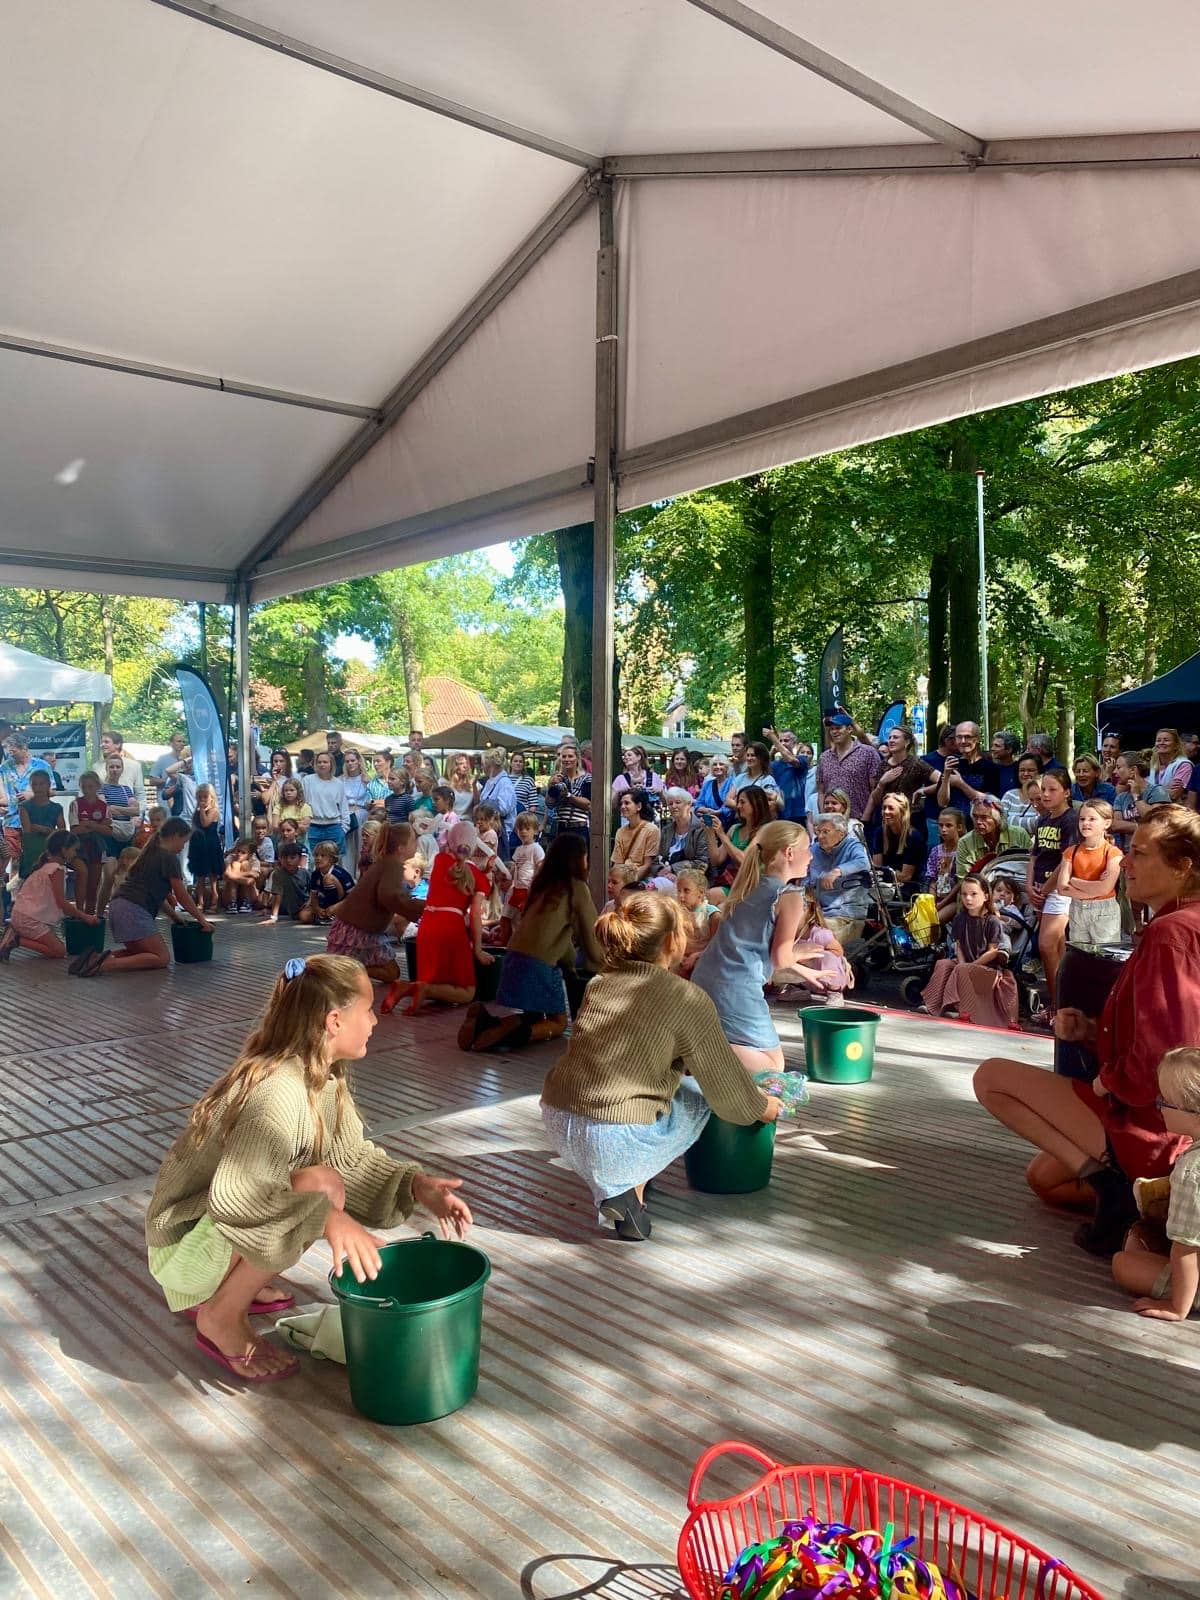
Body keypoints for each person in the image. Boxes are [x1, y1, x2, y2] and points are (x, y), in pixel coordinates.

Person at [144, 954, 471, 1381]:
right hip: (182, 1255)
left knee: (321, 1183)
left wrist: (417, 1185)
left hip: (207, 1241)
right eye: (368, 1009)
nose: (375, 1021)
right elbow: (237, 1197)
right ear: (335, 1021)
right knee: (319, 1186)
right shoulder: (278, 1091)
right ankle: (221, 1315)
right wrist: (328, 1218)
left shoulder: (321, 1075)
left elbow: (351, 1160)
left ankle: (231, 1283)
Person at [975, 807, 1200, 1255]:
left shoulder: (1171, 933)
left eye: (1139, 853)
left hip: (1156, 1125)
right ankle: (1136, 1197)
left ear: (1181, 866)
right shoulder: (1181, 924)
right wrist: (1092, 1031)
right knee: (1046, 1180)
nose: (1126, 862)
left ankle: (1128, 1192)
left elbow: (1169, 1054)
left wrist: (1106, 1081)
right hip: (1174, 1121)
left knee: (991, 1077)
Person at [540, 893, 780, 1241]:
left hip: (559, 1119)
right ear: (670, 942)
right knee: (697, 1096)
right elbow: (726, 1091)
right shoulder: (687, 997)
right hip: (614, 1136)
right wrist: (764, 1107)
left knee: (664, 1092)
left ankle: (626, 1188)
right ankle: (627, 1188)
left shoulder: (600, 982)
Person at [460, 832, 605, 1053]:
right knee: (558, 1023)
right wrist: (603, 967)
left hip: (512, 959)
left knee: (534, 1016)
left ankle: (487, 1022)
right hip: (539, 965)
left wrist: (569, 965)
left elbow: (557, 939)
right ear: (579, 859)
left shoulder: (541, 886)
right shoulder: (576, 887)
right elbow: (591, 938)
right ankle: (507, 1035)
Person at [693, 820, 812, 1072]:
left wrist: (805, 969)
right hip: (736, 987)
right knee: (772, 1066)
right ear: (789, 853)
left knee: (749, 1053)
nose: (811, 856)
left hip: (706, 977)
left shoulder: (748, 884)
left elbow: (754, 947)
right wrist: (805, 951)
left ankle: (695, 1052)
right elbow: (781, 958)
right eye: (807, 849)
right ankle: (692, 1050)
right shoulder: (789, 896)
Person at [1111, 1047, 1200, 1322]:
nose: (1158, 1105)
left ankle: (1186, 1298)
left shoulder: (1192, 1171)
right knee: (1139, 1239)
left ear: (1195, 1114)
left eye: (1165, 1101)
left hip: (1193, 1266)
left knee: (1123, 1263)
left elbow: (1186, 1248)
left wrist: (1176, 1306)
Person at [381, 820, 492, 1017]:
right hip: (451, 928)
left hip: (428, 925)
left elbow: (460, 870)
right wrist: (478, 949)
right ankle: (420, 989)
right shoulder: (477, 877)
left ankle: (411, 987)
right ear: (474, 846)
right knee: (467, 992)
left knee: (436, 978)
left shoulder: (440, 860)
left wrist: (481, 869)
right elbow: (475, 913)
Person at [77, 818, 212, 977]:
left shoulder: (149, 853)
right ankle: (107, 965)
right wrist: (202, 920)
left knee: (140, 951)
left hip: (118, 906)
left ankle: (95, 958)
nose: (183, 847)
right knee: (161, 958)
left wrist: (174, 917)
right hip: (133, 910)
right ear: (175, 836)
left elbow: (157, 896)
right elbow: (182, 895)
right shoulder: (169, 858)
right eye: (183, 842)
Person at [327, 822, 425, 981]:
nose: (417, 844)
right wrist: (420, 907)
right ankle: (347, 968)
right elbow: (390, 896)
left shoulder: (387, 863)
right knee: (391, 973)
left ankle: (347, 967)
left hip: (358, 926)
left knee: (391, 972)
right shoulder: (393, 865)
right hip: (359, 929)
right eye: (414, 840)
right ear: (401, 848)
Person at [921, 873, 1016, 1028]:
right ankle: (933, 1006)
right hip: (966, 963)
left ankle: (961, 1009)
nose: (968, 898)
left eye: (973, 894)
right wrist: (963, 963)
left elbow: (993, 951)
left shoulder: (993, 921)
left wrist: (971, 965)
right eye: (964, 894)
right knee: (944, 964)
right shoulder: (960, 918)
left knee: (963, 969)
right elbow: (959, 945)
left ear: (986, 896)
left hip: (988, 969)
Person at [0, 831, 98, 961]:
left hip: (20, 915)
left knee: (56, 947)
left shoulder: (45, 867)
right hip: (29, 919)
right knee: (59, 951)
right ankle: (16, 940)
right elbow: (61, 902)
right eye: (74, 850)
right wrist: (85, 916)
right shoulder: (56, 870)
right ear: (63, 850)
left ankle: (15, 934)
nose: (75, 854)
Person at [1027, 769, 1079, 1011]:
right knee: (1057, 947)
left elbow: (1067, 860)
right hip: (1039, 888)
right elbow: (1034, 856)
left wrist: (1046, 889)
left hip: (1058, 889)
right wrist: (1030, 886)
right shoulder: (1043, 819)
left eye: (1052, 790)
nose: (1045, 795)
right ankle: (1061, 1004)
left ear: (1066, 792)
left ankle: (1058, 1004)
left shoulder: (1071, 820)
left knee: (1046, 945)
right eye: (1043, 790)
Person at [1049, 799, 1123, 945]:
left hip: (1104, 911)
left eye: (1092, 819)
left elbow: (1105, 888)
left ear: (1107, 823)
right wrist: (1095, 889)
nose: (1085, 823)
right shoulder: (1071, 852)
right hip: (1077, 908)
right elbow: (1062, 888)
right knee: (1079, 952)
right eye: (1082, 819)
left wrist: (1074, 881)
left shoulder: (1112, 853)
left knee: (1104, 952)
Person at [769, 888, 850, 1002]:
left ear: (808, 909)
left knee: (829, 957)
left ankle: (835, 992)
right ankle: (798, 989)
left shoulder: (819, 934)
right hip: (805, 979)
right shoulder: (781, 933)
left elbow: (838, 952)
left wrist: (812, 956)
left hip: (823, 977)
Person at [807, 813, 872, 942]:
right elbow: (805, 876)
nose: (820, 836)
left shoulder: (853, 845)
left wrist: (837, 871)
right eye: (818, 832)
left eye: (825, 832)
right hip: (817, 911)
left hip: (844, 913)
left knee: (817, 935)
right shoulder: (815, 849)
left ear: (841, 834)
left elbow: (864, 862)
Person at [861, 725, 935, 827]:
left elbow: (942, 780)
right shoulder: (883, 765)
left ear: (907, 742)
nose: (891, 740)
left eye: (895, 737)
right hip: (886, 819)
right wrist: (882, 783)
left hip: (911, 819)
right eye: (890, 737)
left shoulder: (917, 763)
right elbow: (876, 800)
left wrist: (924, 790)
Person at [702, 785, 773, 891]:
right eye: (738, 802)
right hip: (733, 880)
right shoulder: (735, 829)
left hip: (753, 883)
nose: (738, 806)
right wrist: (710, 833)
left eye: (742, 802)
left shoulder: (764, 830)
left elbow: (744, 860)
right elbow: (716, 860)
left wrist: (722, 835)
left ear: (756, 804)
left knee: (713, 894)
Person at [1, 735, 53, 872]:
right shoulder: (4, 767)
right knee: (14, 861)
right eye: (8, 751)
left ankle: (36, 884)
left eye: (13, 751)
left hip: (36, 820)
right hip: (12, 821)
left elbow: (53, 791)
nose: (10, 755)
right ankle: (15, 886)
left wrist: (33, 794)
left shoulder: (42, 766)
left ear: (24, 748)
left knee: (37, 858)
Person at [815, 713, 882, 818]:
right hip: (832, 820)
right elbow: (821, 791)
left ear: (849, 729)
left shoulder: (868, 753)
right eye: (831, 729)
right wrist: (824, 816)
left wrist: (865, 818)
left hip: (859, 818)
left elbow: (875, 788)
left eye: (838, 728)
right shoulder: (824, 757)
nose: (834, 732)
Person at [936, 721, 1003, 820]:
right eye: (959, 737)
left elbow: (991, 802)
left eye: (968, 737)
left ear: (977, 739)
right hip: (954, 825)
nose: (963, 741)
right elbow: (942, 803)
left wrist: (960, 784)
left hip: (979, 823)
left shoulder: (990, 767)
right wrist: (946, 777)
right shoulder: (951, 764)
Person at [496, 811, 544, 944]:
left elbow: (541, 866)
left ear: (535, 831)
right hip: (516, 888)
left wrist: (535, 887)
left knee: (522, 919)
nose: (523, 831)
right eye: (520, 828)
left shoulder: (536, 848)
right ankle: (505, 942)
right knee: (506, 917)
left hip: (527, 889)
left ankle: (521, 943)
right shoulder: (518, 849)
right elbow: (515, 867)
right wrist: (506, 874)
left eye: (527, 828)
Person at [955, 796, 1030, 879]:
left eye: (984, 817)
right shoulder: (965, 842)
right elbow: (964, 879)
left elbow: (1030, 866)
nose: (978, 822)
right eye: (975, 817)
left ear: (998, 819)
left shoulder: (1019, 835)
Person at [872, 792, 926, 893]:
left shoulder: (914, 837)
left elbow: (906, 876)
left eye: (891, 808)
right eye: (884, 808)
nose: (886, 811)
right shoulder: (879, 833)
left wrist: (886, 872)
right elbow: (877, 870)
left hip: (909, 887)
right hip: (885, 885)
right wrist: (890, 873)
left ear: (902, 811)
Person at [1111, 752, 1168, 848]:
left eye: (1118, 767)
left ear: (1133, 770)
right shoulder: (1121, 797)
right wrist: (1144, 827)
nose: (1114, 772)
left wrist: (1136, 797)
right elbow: (1116, 825)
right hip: (1128, 851)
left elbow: (1155, 820)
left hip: (1152, 849)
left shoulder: (1157, 791)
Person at [926, 808, 968, 932]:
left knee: (934, 921)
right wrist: (931, 902)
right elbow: (933, 879)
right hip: (938, 896)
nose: (943, 829)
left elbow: (961, 883)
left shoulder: (963, 850)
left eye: (949, 825)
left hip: (955, 899)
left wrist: (941, 904)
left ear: (959, 827)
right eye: (941, 825)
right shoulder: (935, 850)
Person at [17, 768, 64, 878]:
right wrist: (50, 831)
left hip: (50, 851)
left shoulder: (57, 808)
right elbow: (27, 830)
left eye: (41, 784)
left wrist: (41, 829)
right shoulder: (24, 806)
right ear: (31, 786)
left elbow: (62, 833)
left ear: (48, 785)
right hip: (31, 851)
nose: (38, 788)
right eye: (34, 784)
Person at [302, 751, 350, 856]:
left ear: (331, 764)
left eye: (325, 762)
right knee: (313, 860)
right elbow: (302, 803)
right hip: (313, 827)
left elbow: (344, 807)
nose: (322, 764)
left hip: (334, 827)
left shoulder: (338, 784)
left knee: (334, 860)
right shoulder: (307, 781)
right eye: (319, 762)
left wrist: (343, 829)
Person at [298, 841, 353, 925]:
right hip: (324, 904)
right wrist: (317, 908)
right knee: (303, 916)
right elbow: (314, 896)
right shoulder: (315, 874)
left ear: (331, 858)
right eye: (316, 855)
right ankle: (325, 916)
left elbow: (351, 897)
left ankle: (334, 915)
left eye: (323, 856)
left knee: (328, 879)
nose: (318, 858)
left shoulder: (341, 873)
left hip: (341, 904)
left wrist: (335, 907)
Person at [188, 784, 224, 912]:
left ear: (211, 797)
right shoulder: (197, 811)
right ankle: (200, 901)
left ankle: (215, 901)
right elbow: (194, 825)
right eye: (200, 797)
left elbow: (205, 823)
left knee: (213, 876)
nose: (202, 799)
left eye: (205, 797)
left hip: (210, 845)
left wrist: (202, 810)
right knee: (200, 875)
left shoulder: (213, 810)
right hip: (199, 845)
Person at [546, 743, 591, 842]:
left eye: (570, 756)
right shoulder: (558, 778)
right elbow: (550, 804)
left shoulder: (587, 778)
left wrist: (568, 795)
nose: (567, 759)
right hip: (560, 828)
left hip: (579, 828)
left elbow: (588, 804)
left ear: (577, 758)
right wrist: (551, 786)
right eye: (564, 756)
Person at [658, 788, 709, 873]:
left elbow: (702, 862)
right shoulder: (666, 830)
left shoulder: (701, 828)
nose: (673, 806)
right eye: (670, 804)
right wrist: (661, 870)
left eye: (678, 802)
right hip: (665, 874)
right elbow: (658, 857)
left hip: (692, 876)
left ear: (689, 804)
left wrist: (672, 869)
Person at [762, 727, 807, 822]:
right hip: (779, 812)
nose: (782, 743)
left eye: (786, 740)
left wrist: (774, 739)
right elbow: (763, 772)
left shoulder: (802, 759)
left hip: (796, 813)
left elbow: (790, 759)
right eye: (780, 741)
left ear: (794, 743)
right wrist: (771, 753)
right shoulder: (775, 764)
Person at [611, 788, 661, 874]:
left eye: (627, 803)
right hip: (622, 876)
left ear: (639, 806)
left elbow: (647, 866)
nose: (622, 807)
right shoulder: (620, 832)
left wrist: (628, 880)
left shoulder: (651, 830)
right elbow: (617, 863)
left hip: (641, 878)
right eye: (621, 804)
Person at [260, 840, 310, 922]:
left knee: (305, 916)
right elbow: (277, 895)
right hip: (290, 907)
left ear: (300, 859)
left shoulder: (305, 873)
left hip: (306, 905)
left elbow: (313, 891)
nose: (288, 861)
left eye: (292, 858)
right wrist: (274, 917)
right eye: (285, 858)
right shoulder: (278, 874)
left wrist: (309, 903)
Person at [478, 750, 518, 851]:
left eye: (483, 764)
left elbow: (503, 809)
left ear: (490, 765)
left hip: (500, 834)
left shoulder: (505, 783)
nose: (482, 767)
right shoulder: (490, 781)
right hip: (488, 831)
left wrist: (484, 806)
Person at [341, 748, 369, 875]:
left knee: (360, 846)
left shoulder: (366, 780)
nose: (350, 763)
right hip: (346, 816)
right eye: (347, 761)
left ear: (358, 761)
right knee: (348, 848)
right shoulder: (341, 780)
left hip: (361, 815)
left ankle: (359, 874)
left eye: (352, 760)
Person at [1000, 754, 1044, 829]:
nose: (1026, 774)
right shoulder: (1009, 795)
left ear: (1039, 772)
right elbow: (999, 822)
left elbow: (1042, 822)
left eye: (1030, 770)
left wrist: (1009, 820)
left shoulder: (1043, 795)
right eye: (1022, 770)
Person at [1149, 728, 1193, 799]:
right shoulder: (1151, 765)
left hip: (1173, 806)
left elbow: (1173, 795)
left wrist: (1148, 792)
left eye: (1166, 740)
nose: (1161, 743)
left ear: (1176, 746)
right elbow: (1139, 791)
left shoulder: (1184, 765)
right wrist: (1166, 788)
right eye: (1158, 740)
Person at [695, 755, 735, 830]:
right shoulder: (707, 784)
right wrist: (703, 809)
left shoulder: (733, 783)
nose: (717, 767)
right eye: (714, 764)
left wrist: (717, 812)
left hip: (727, 825)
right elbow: (699, 801)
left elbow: (733, 805)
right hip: (708, 823)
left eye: (721, 764)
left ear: (727, 767)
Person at [150, 733, 187, 812]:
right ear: (171, 743)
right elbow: (152, 781)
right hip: (165, 802)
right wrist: (167, 780)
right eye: (179, 741)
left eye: (183, 742)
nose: (182, 744)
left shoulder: (187, 761)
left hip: (183, 803)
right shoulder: (163, 759)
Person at [445, 752, 479, 817]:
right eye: (461, 763)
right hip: (449, 819)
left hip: (467, 820)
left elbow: (477, 804)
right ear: (453, 766)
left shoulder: (473, 781)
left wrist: (474, 786)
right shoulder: (443, 782)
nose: (465, 766)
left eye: (466, 763)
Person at [989, 730, 1021, 796]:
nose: (992, 748)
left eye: (997, 746)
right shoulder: (990, 768)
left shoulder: (1020, 769)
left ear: (1009, 750)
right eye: (993, 745)